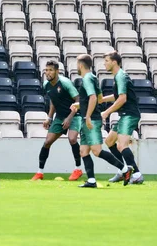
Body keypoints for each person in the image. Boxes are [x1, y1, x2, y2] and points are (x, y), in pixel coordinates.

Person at [72, 54, 131, 188]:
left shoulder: (86, 79)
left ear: (80, 65)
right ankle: (91, 181)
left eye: (77, 65)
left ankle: (125, 169)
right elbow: (99, 98)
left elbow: (93, 98)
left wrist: (87, 116)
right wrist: (79, 105)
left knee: (97, 151)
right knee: (83, 151)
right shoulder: (93, 77)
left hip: (91, 120)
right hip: (88, 118)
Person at [31, 61, 83, 181]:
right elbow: (53, 100)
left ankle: (78, 169)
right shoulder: (46, 85)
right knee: (47, 142)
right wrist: (49, 117)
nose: (47, 73)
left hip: (75, 115)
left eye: (50, 70)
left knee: (72, 138)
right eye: (46, 70)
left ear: (57, 71)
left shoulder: (65, 83)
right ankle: (40, 172)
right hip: (60, 116)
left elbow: (78, 100)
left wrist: (69, 118)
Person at [100, 51, 143, 184]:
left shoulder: (121, 76)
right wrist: (102, 100)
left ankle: (136, 174)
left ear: (114, 62)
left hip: (129, 114)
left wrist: (106, 112)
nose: (104, 63)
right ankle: (123, 169)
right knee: (109, 141)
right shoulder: (118, 76)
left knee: (121, 145)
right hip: (124, 115)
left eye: (106, 61)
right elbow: (118, 96)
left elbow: (122, 99)